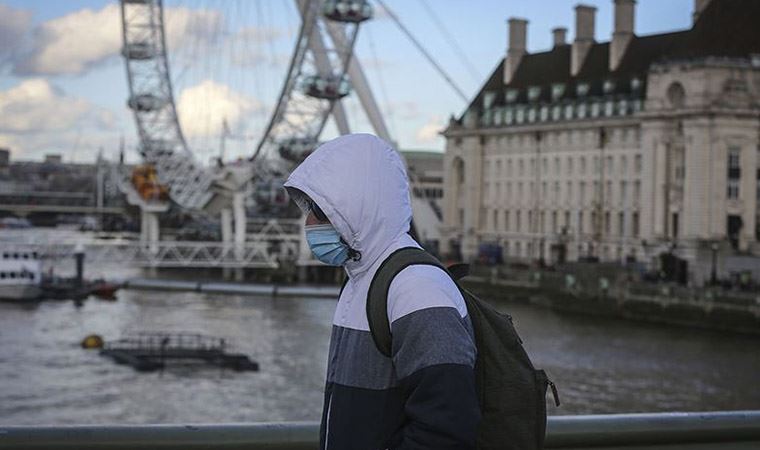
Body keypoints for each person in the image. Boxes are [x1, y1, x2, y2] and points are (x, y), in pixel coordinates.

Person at [284, 133, 480, 450]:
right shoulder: (362, 278)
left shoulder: (417, 289)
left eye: (320, 211)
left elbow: (447, 429)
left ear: (354, 206)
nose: (309, 222)